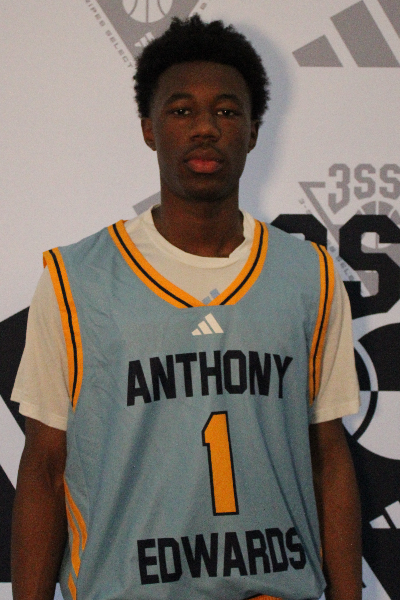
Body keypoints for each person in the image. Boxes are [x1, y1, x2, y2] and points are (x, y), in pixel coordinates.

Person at [11, 15, 361, 600]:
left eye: (227, 111)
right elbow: (44, 467)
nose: (205, 128)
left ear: (253, 131)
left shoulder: (311, 275)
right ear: (149, 129)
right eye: (181, 110)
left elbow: (329, 458)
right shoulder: (77, 279)